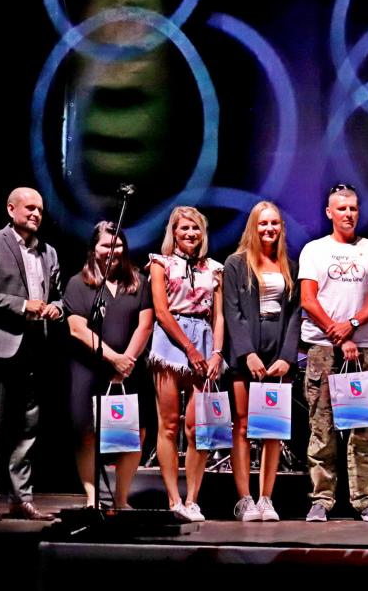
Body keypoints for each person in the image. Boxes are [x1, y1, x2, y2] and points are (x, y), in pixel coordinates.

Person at [0, 187, 63, 521]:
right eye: (30, 208)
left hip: (35, 349)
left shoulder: (48, 252)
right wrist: (22, 305)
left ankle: (23, 499)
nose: (36, 214)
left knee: (28, 428)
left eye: (40, 210)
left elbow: (58, 295)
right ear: (11, 209)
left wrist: (57, 308)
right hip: (0, 348)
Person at [299, 183, 368, 523]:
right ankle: (321, 499)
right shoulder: (314, 250)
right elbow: (308, 300)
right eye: (342, 208)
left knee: (363, 428)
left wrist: (351, 324)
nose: (348, 214)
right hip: (323, 347)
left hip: (363, 348)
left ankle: (366, 500)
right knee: (321, 427)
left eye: (353, 208)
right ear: (329, 213)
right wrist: (337, 333)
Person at [64, 222, 154, 509]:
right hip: (89, 370)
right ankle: (93, 499)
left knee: (134, 434)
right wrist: (113, 357)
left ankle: (121, 499)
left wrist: (126, 360)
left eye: (118, 245)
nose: (113, 250)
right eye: (106, 245)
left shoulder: (139, 282)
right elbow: (77, 328)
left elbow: (145, 325)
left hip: (130, 370)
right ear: (94, 249)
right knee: (87, 434)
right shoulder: (78, 283)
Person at [223, 201, 301, 522]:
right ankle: (245, 499)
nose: (269, 229)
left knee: (273, 427)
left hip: (277, 351)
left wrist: (286, 357)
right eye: (263, 223)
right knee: (242, 425)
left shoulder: (289, 266)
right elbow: (231, 311)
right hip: (247, 352)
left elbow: (295, 315)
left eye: (274, 223)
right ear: (253, 227)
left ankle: (266, 498)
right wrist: (247, 353)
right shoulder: (235, 263)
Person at [147, 206, 225, 522]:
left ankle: (192, 498)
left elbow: (218, 315)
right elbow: (161, 311)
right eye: (184, 228)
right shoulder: (160, 263)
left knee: (198, 427)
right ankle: (173, 499)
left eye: (195, 228)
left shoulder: (214, 268)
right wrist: (189, 348)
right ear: (174, 232)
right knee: (168, 424)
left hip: (204, 338)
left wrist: (216, 352)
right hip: (171, 339)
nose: (190, 233)